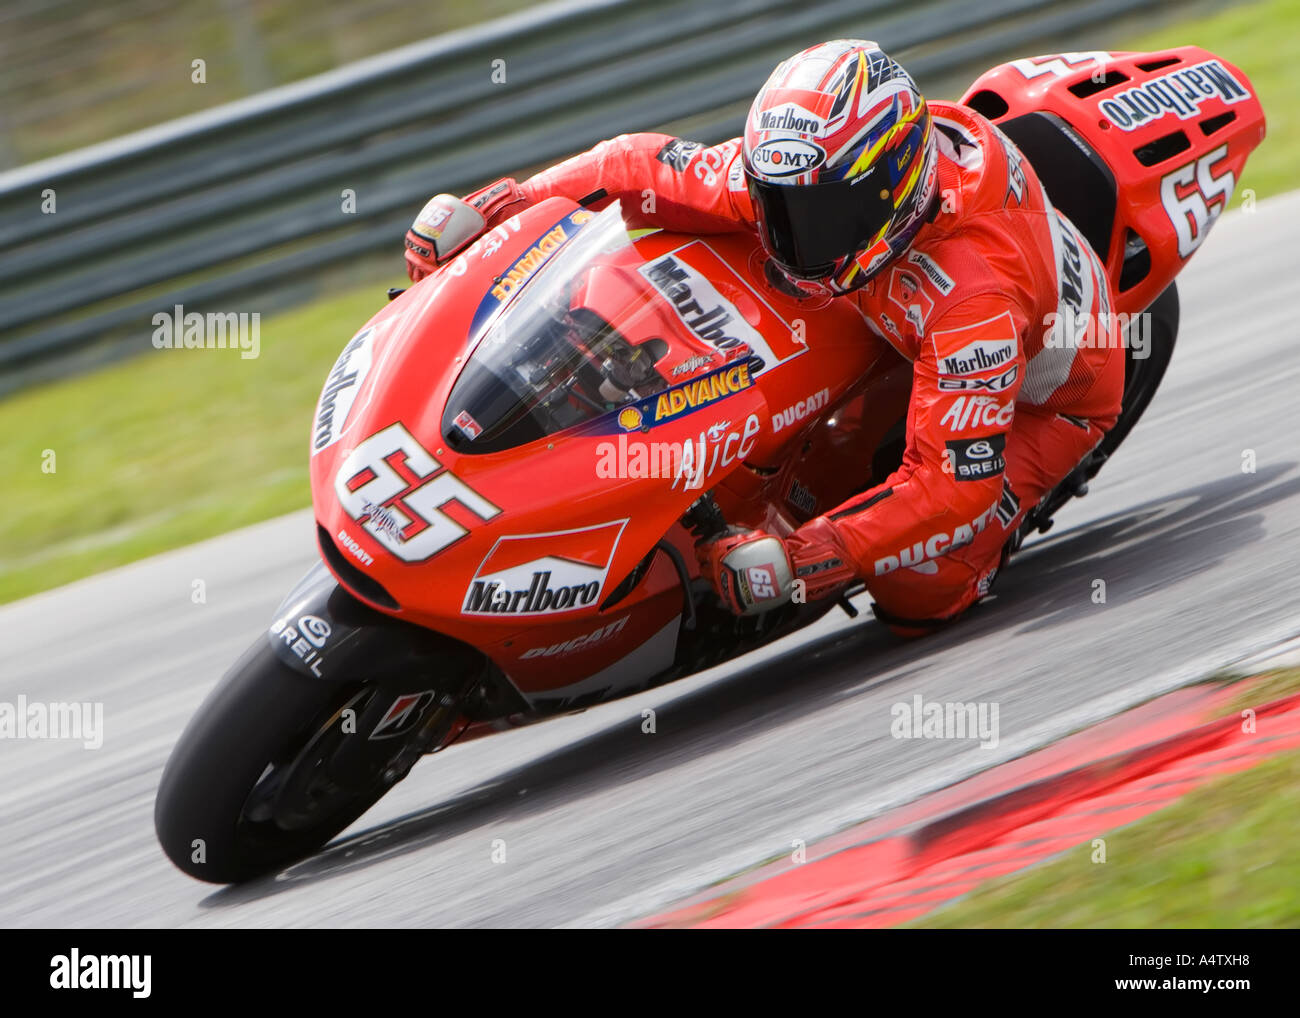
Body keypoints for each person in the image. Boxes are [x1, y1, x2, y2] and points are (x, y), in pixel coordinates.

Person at [403, 39, 1124, 636]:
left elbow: (953, 486)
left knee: (917, 584)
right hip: (884, 301)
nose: (782, 228)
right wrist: (514, 200)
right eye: (776, 202)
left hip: (1043, 395)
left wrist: (809, 555)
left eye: (809, 213)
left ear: (886, 192)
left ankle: (991, 549)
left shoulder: (973, 299)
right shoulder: (820, 179)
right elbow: (640, 167)